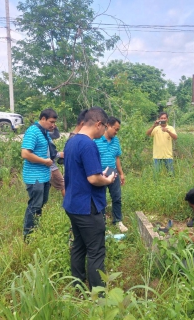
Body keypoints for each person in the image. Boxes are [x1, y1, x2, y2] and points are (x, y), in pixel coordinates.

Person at [63, 106, 116, 290]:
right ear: (99, 124)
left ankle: (77, 286)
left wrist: (98, 174)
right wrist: (107, 179)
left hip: (72, 204)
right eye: (105, 127)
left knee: (79, 245)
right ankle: (98, 294)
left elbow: (81, 171)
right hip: (87, 207)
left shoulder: (71, 141)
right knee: (95, 251)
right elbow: (93, 178)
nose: (104, 131)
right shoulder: (88, 144)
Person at [21, 108, 57, 239]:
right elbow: (25, 153)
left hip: (44, 175)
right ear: (43, 119)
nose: (53, 125)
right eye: (51, 122)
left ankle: (36, 228)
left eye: (54, 122)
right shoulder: (33, 131)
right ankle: (28, 235)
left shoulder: (45, 132)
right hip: (34, 176)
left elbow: (46, 152)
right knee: (35, 204)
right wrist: (44, 162)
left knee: (42, 202)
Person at [94, 116, 128, 233]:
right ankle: (102, 223)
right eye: (115, 129)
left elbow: (117, 157)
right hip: (100, 174)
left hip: (112, 172)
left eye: (118, 130)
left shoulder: (115, 141)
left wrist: (121, 173)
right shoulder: (96, 139)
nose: (116, 132)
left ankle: (118, 221)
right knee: (101, 199)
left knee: (117, 197)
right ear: (108, 125)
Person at [48, 127, 65, 197]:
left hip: (49, 167)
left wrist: (55, 126)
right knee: (63, 186)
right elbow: (47, 154)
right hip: (51, 168)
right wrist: (59, 154)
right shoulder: (43, 137)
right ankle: (69, 205)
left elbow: (56, 135)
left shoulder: (46, 134)